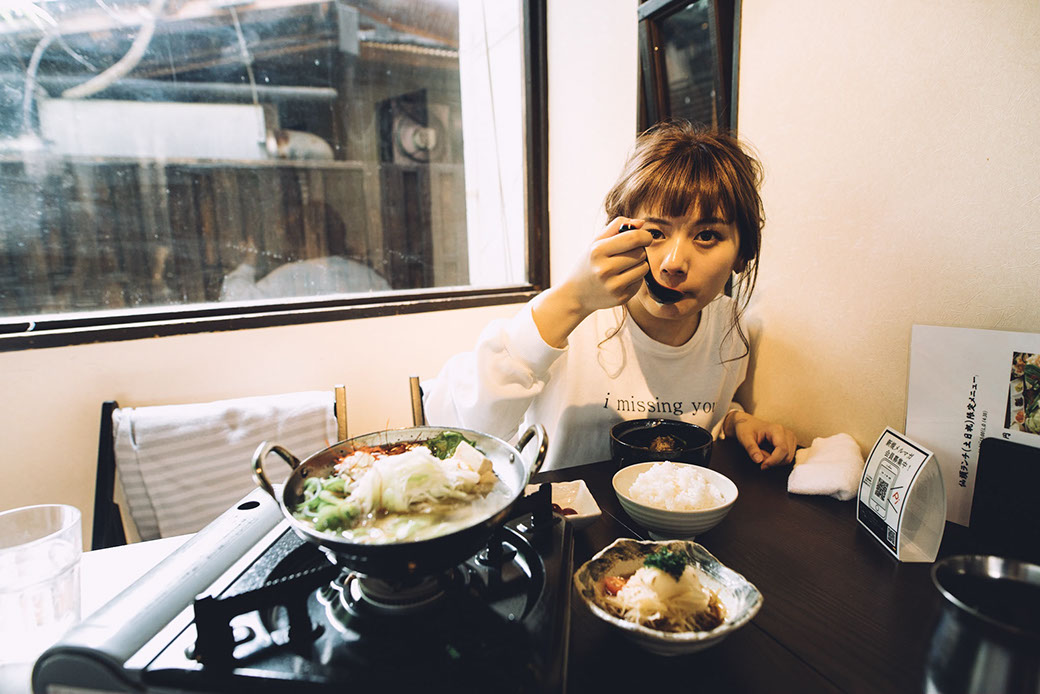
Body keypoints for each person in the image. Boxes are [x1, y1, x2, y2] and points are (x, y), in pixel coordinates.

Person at [422, 120, 797, 471]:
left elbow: (700, 403)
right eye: (655, 232)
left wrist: (735, 420)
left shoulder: (729, 329)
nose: (673, 263)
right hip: (562, 516)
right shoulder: (570, 319)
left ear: (742, 254)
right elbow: (457, 431)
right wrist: (572, 299)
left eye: (707, 236)